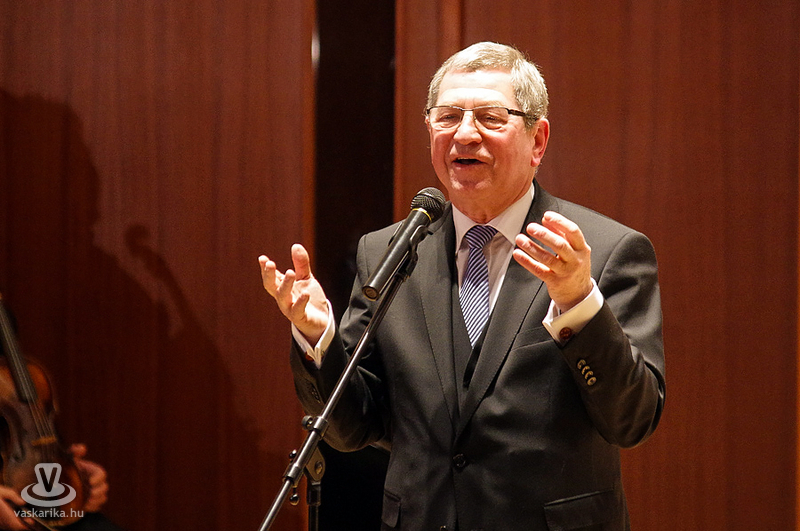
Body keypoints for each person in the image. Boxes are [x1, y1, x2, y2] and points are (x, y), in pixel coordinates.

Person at [259, 42, 665, 531]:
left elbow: (633, 420)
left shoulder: (607, 250)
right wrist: (317, 337)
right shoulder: (388, 252)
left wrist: (578, 302)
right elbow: (352, 428)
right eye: (448, 116)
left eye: (491, 117)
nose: (465, 134)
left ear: (538, 141)